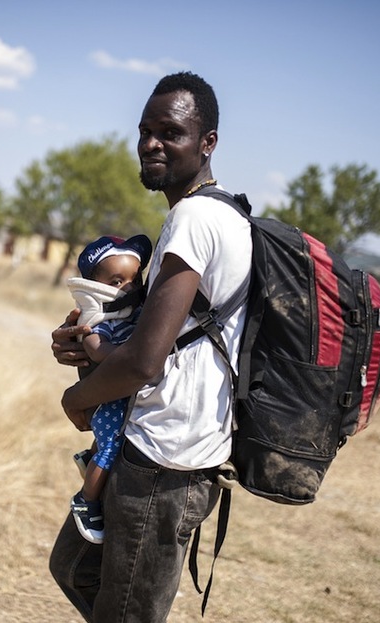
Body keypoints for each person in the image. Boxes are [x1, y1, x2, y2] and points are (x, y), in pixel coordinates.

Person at [48, 71, 253, 622]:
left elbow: (144, 361)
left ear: (207, 143)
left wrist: (77, 400)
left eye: (171, 132)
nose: (151, 143)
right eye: (144, 130)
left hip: (167, 458)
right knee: (75, 567)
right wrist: (87, 347)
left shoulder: (195, 218)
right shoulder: (207, 214)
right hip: (155, 444)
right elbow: (151, 339)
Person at [67, 233, 153, 545]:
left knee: (108, 443)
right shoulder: (99, 321)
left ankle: (88, 461)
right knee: (111, 447)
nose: (128, 288)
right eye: (117, 281)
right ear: (97, 284)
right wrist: (137, 354)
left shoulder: (131, 315)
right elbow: (96, 349)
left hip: (122, 396)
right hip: (109, 400)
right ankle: (86, 500)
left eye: (134, 279)